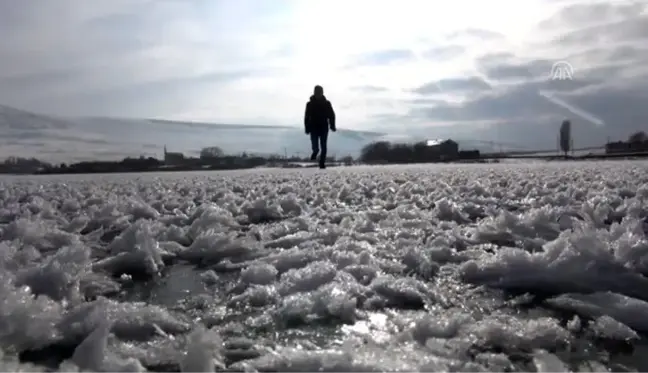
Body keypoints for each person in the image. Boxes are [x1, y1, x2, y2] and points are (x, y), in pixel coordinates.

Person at [304, 85, 336, 169]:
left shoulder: (327, 103)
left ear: (322, 93)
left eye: (319, 93)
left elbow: (331, 115)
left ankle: (322, 163)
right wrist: (307, 127)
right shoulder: (309, 104)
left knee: (324, 146)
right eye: (316, 92)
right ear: (314, 93)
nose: (318, 94)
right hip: (313, 127)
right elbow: (306, 116)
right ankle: (315, 151)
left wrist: (332, 125)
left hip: (323, 127)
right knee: (315, 145)